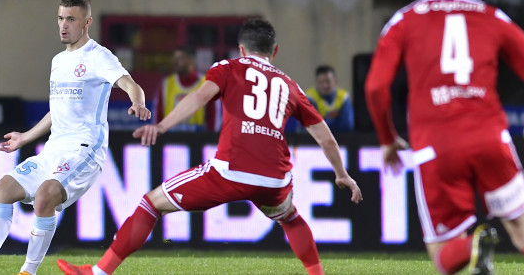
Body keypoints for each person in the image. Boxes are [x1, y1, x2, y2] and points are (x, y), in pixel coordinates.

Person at [57, 17, 363, 275]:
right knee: (291, 218)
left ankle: (98, 273)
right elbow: (325, 136)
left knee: (151, 204)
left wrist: (162, 125)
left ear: (241, 48)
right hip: (275, 178)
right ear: (275, 51)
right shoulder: (290, 85)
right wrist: (342, 174)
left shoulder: (229, 67)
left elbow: (200, 97)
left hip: (231, 171)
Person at [365, 0, 524, 275]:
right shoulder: (491, 16)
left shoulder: (404, 20)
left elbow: (375, 88)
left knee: (443, 250)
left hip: (435, 144)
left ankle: (471, 247)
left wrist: (387, 139)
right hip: (490, 138)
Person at [0, 0, 152, 275]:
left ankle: (28, 271)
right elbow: (58, 111)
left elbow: (131, 84)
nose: (63, 25)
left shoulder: (99, 57)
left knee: (44, 197)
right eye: (60, 18)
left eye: (71, 19)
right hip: (54, 148)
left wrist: (137, 102)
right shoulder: (57, 61)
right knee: (0, 192)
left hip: (85, 149)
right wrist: (26, 137)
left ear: (87, 22)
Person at [152, 46, 218, 131]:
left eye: (180, 58)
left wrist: (210, 138)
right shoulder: (166, 84)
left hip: (198, 139)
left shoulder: (206, 84)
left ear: (191, 60)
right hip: (170, 140)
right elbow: (158, 113)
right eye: (174, 58)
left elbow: (213, 115)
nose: (175, 62)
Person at [305, 65, 354, 132]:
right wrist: (336, 120)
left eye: (328, 81)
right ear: (316, 82)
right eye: (321, 82)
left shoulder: (343, 97)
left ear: (335, 81)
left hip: (341, 140)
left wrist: (324, 123)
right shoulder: (310, 98)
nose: (325, 86)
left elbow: (348, 125)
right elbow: (312, 128)